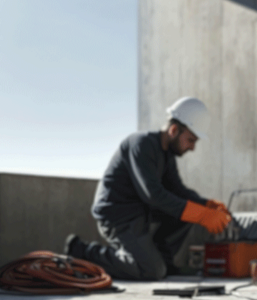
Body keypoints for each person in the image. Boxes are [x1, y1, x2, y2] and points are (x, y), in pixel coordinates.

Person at [65, 96, 231, 280]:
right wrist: (202, 214)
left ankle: (164, 261)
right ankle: (82, 252)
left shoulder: (167, 156)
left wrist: (206, 204)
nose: (192, 148)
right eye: (190, 140)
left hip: (139, 213)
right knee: (151, 271)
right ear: (174, 130)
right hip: (118, 216)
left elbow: (178, 191)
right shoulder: (141, 144)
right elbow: (153, 195)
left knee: (187, 209)